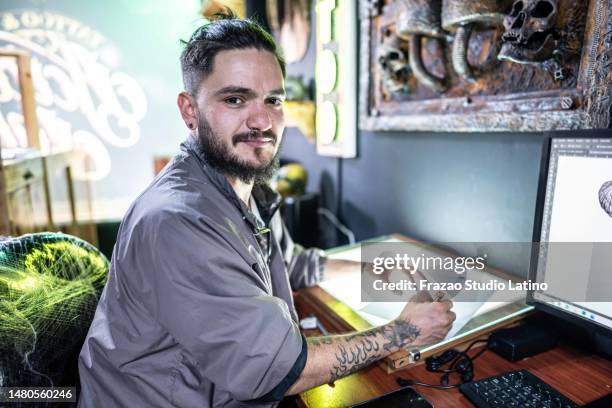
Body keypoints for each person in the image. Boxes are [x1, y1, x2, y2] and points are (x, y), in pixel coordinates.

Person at [78, 11, 455, 408]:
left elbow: (290, 262)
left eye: (273, 100)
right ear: (190, 111)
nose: (262, 121)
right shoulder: (177, 221)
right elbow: (278, 369)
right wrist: (403, 332)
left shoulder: (245, 184)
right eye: (235, 99)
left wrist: (376, 272)